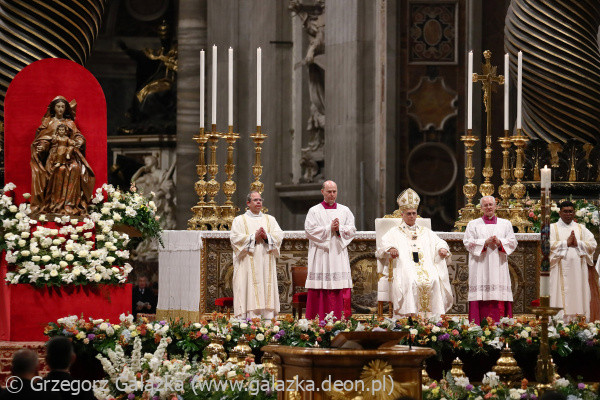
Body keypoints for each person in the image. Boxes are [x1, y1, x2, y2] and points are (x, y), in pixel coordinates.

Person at [377, 189, 453, 316]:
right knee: (411, 280)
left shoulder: (425, 231)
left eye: (414, 213)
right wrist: (391, 249)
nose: (412, 216)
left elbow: (439, 242)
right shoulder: (394, 232)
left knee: (434, 279)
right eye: (409, 214)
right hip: (405, 266)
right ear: (402, 215)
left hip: (426, 266)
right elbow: (383, 243)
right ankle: (409, 314)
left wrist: (442, 249)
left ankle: (433, 317)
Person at [30, 96, 95, 216]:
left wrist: (79, 140)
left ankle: (70, 204)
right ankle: (54, 204)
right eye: (58, 106)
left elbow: (77, 135)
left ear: (66, 109)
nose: (60, 109)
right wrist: (42, 147)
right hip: (54, 157)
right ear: (54, 108)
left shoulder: (70, 123)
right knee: (59, 170)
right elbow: (43, 139)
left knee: (75, 168)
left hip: (69, 157)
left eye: (62, 107)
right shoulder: (49, 123)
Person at [304, 180, 356, 320]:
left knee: (338, 286)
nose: (332, 194)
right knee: (321, 286)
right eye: (329, 191)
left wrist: (339, 229)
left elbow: (352, 230)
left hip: (338, 254)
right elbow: (309, 231)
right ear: (322, 192)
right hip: (321, 254)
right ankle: (317, 319)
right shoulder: (314, 211)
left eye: (334, 191)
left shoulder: (345, 210)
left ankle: (340, 319)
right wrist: (329, 228)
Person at [464, 196, 518, 324]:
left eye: (491, 204)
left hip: (499, 265)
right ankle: (477, 324)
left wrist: (499, 242)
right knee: (480, 292)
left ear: (495, 206)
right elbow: (467, 242)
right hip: (480, 265)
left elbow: (512, 242)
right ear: (481, 208)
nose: (488, 207)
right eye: (485, 205)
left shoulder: (505, 224)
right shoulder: (473, 224)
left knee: (499, 291)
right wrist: (484, 242)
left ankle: (501, 324)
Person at [230, 191, 283, 319]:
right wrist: (254, 237)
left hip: (266, 259)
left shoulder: (270, 220)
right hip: (247, 262)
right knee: (248, 287)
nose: (259, 202)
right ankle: (248, 319)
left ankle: (268, 318)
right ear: (248, 203)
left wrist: (266, 237)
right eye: (255, 200)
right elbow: (235, 238)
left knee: (266, 287)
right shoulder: (239, 220)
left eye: (260, 200)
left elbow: (279, 235)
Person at [550, 200, 597, 321]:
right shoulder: (552, 228)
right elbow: (547, 246)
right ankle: (558, 322)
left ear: (574, 213)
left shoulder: (581, 228)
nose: (568, 214)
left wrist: (578, 243)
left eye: (570, 211)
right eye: (565, 211)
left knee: (578, 293)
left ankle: (579, 321)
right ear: (560, 213)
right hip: (558, 270)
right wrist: (566, 243)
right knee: (559, 295)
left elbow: (593, 244)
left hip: (578, 271)